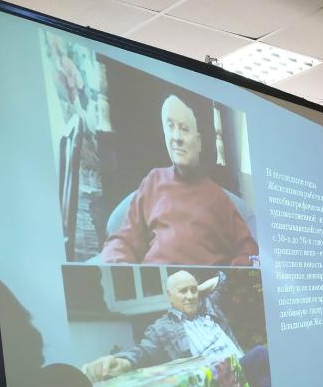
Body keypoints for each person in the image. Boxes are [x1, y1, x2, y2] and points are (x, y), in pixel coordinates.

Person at [101, 94, 258, 266]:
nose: (176, 137)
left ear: (198, 142)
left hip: (204, 282)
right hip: (157, 280)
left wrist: (225, 278)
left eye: (184, 129)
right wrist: (123, 269)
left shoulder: (219, 198)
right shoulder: (153, 181)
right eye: (170, 126)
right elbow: (122, 241)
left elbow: (249, 250)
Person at [82, 270, 251, 381]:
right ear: (169, 296)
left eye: (193, 290)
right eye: (183, 291)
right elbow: (142, 353)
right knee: (260, 354)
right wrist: (120, 362)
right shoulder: (162, 328)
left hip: (244, 364)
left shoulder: (208, 305)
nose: (190, 296)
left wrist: (193, 292)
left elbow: (222, 279)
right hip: (220, 380)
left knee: (258, 357)